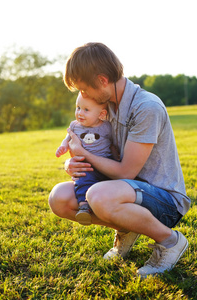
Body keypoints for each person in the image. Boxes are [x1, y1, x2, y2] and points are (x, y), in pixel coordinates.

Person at [49, 42, 191, 278]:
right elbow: (82, 142)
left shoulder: (146, 107)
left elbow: (126, 172)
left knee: (97, 196)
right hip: (122, 190)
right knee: (60, 198)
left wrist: (87, 156)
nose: (83, 97)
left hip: (164, 200)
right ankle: (126, 225)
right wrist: (71, 163)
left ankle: (170, 241)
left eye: (84, 90)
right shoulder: (104, 107)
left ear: (102, 80)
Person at [56, 92, 113, 226]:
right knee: (82, 180)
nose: (80, 113)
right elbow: (68, 137)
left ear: (101, 114)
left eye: (86, 110)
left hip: (105, 162)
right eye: (78, 107)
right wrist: (63, 146)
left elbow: (114, 143)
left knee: (107, 182)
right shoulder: (75, 126)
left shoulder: (106, 127)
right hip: (86, 166)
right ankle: (84, 207)